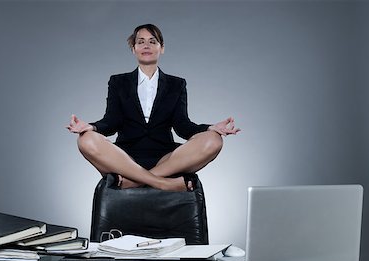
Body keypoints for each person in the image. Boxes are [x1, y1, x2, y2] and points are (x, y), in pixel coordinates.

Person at [66, 24, 240, 192]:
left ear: (161, 48)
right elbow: (112, 121)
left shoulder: (176, 84)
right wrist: (92, 127)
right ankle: (163, 183)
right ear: (133, 49)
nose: (146, 45)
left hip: (165, 157)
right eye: (140, 42)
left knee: (215, 140)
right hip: (125, 156)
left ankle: (132, 182)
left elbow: (183, 126)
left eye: (152, 41)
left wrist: (210, 128)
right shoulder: (118, 82)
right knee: (85, 139)